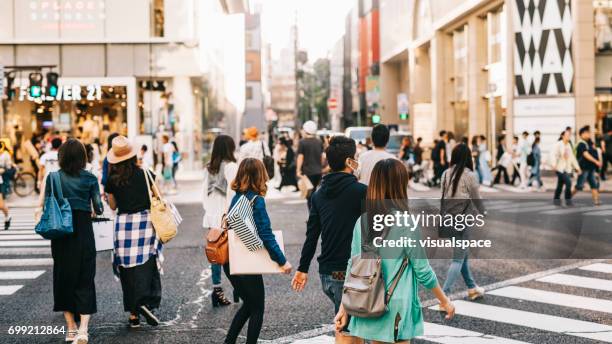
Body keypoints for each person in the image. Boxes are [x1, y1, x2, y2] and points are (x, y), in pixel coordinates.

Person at [334, 159, 455, 344]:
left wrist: (344, 308)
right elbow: (422, 270)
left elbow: (353, 267)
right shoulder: (406, 223)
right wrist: (444, 300)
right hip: (396, 305)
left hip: (369, 300)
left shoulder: (363, 221)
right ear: (400, 185)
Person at [292, 136, 367, 344]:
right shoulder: (362, 192)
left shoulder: (318, 194)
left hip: (328, 273)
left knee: (350, 325)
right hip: (350, 272)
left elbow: (312, 235)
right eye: (356, 157)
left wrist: (302, 269)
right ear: (349, 162)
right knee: (348, 329)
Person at [224, 158, 292, 344]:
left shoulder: (237, 197)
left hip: (230, 260)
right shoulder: (256, 200)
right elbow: (265, 234)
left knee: (249, 305)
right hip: (246, 262)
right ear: (260, 175)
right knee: (257, 308)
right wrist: (282, 261)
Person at [43, 139, 104, 343]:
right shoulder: (90, 178)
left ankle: (71, 328)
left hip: (61, 234)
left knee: (64, 279)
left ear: (61, 157)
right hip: (83, 232)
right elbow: (99, 207)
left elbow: (47, 206)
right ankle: (84, 330)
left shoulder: (53, 178)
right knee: (85, 278)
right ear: (83, 157)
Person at [105, 136, 164, 329]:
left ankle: (133, 313)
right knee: (147, 264)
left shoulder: (112, 179)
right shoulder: (145, 174)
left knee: (127, 269)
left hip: (124, 225)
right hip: (145, 223)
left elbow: (113, 205)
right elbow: (158, 196)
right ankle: (147, 302)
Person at [440, 144, 486, 299]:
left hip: (448, 218)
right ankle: (444, 296)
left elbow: (442, 198)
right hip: (462, 220)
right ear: (467, 158)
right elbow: (476, 198)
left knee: (462, 255)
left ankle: (472, 288)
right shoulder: (470, 175)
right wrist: (483, 212)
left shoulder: (445, 173)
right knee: (458, 259)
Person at [202, 135, 238, 307]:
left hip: (212, 215)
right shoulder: (231, 167)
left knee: (216, 253)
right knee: (233, 254)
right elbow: (234, 195)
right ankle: (239, 288)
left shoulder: (209, 168)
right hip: (227, 216)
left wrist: (209, 212)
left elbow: (204, 194)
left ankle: (217, 290)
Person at [296, 121, 324, 208]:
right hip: (318, 172)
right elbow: (322, 157)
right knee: (314, 192)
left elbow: (300, 157)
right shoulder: (319, 142)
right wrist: (321, 166)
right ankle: (315, 216)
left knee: (309, 196)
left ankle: (313, 217)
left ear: (306, 130)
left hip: (308, 172)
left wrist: (298, 170)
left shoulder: (302, 142)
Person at [575, 126, 602, 206]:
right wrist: (596, 161)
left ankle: (596, 201)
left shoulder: (590, 143)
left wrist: (598, 161)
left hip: (591, 168)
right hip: (584, 169)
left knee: (594, 184)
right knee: (579, 186)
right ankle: (568, 197)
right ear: (582, 134)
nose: (589, 134)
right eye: (587, 133)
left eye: (589, 132)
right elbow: (586, 154)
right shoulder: (581, 144)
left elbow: (595, 152)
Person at [551, 130, 581, 204]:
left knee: (560, 185)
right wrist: (553, 164)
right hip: (559, 168)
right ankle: (568, 200)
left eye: (569, 135)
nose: (569, 137)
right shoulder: (558, 144)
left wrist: (577, 167)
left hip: (567, 169)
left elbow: (572, 158)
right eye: (567, 135)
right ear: (563, 136)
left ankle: (556, 198)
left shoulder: (568, 145)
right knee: (569, 182)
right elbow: (553, 155)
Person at [0, 142, 12, 230]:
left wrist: (3, 170)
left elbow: (8, 166)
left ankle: (8, 216)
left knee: (1, 205)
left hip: (1, 181)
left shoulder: (5, 155)